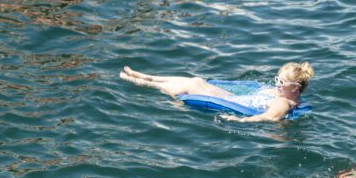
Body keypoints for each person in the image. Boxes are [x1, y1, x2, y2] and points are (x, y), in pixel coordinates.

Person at [119, 61, 314, 122]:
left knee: (193, 86)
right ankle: (147, 76)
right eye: (276, 79)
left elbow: (268, 118)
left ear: (295, 88)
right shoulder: (280, 93)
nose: (277, 84)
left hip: (236, 104)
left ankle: (143, 81)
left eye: (282, 82)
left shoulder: (282, 102)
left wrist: (239, 120)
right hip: (235, 97)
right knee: (197, 80)